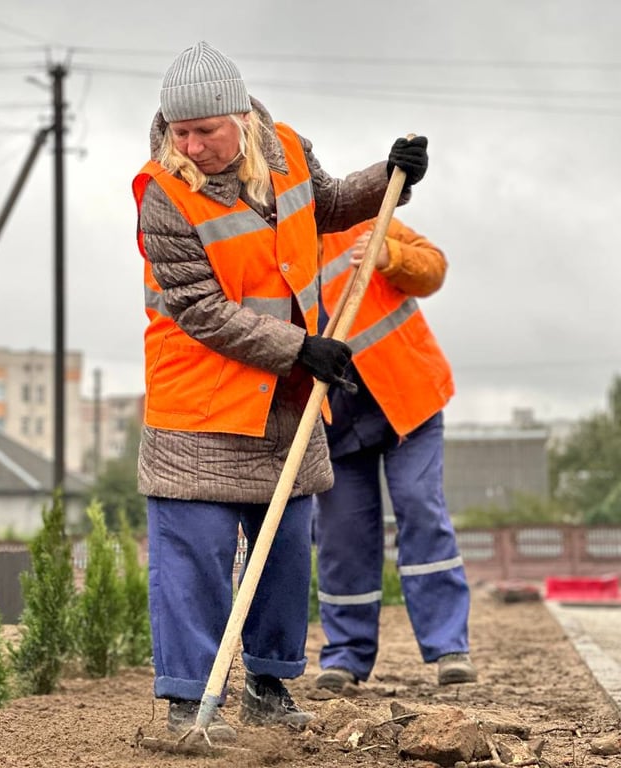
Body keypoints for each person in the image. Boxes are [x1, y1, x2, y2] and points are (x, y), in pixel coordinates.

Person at [132, 41, 429, 741]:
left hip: (284, 400)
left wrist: (389, 175)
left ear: (241, 118)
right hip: (199, 404)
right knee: (195, 554)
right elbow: (200, 309)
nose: (194, 145)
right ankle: (185, 705)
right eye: (182, 133)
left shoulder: (287, 150)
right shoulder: (163, 195)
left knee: (287, 548)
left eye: (206, 131)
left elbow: (328, 205)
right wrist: (301, 346)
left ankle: (268, 687)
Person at [313, 218, 475, 691]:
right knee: (341, 536)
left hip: (409, 401)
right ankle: (345, 657)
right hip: (335, 420)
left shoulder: (364, 220)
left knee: (420, 507)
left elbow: (434, 269)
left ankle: (449, 647)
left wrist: (392, 258)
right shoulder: (270, 248)